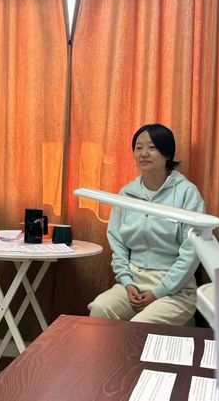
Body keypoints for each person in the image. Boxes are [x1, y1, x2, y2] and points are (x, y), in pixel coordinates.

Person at [88, 124, 205, 325]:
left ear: (167, 153)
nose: (144, 153)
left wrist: (159, 291)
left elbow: (192, 251)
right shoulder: (126, 194)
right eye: (138, 147)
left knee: (139, 328)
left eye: (152, 147)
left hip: (176, 288)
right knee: (100, 308)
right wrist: (127, 282)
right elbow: (117, 243)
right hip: (133, 282)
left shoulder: (187, 193)